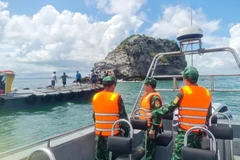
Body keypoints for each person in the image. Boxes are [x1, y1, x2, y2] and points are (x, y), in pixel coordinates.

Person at [149, 66, 212, 160]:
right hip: (199, 134)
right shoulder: (207, 93)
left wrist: (154, 113)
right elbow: (208, 114)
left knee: (177, 157)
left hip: (185, 134)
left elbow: (169, 108)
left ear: (185, 79)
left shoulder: (183, 92)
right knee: (193, 157)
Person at [92, 76, 129, 160]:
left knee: (99, 158)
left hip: (99, 135)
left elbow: (94, 116)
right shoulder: (116, 97)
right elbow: (123, 118)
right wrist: (127, 133)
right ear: (113, 86)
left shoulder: (95, 97)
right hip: (112, 136)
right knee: (112, 157)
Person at [139, 77, 163, 160]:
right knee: (145, 147)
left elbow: (157, 114)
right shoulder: (147, 95)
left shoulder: (155, 98)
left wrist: (153, 129)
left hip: (151, 127)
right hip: (145, 126)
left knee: (149, 150)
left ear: (149, 86)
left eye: (145, 85)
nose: (144, 87)